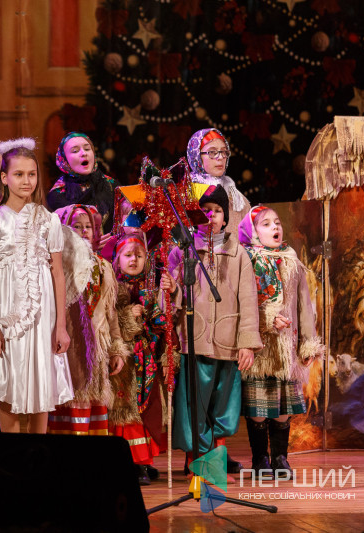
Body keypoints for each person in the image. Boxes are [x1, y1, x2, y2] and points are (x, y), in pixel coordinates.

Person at [160, 185, 262, 479]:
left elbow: (248, 301)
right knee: (195, 405)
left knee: (223, 407)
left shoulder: (238, 254)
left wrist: (247, 343)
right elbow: (171, 303)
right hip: (195, 341)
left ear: (225, 218)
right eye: (205, 211)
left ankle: (215, 461)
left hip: (228, 343)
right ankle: (198, 462)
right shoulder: (182, 251)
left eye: (217, 211)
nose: (211, 216)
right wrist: (172, 289)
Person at [0, 138, 73, 434]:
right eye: (18, 174)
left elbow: (58, 275)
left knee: (41, 384)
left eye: (31, 174)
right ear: (4, 178)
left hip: (43, 318)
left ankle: (37, 453)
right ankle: (12, 455)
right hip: (8, 316)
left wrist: (60, 326)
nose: (26, 181)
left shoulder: (49, 220)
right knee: (10, 383)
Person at [238, 205, 324, 480]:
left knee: (283, 408)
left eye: (277, 222)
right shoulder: (247, 259)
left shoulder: (291, 259)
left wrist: (308, 343)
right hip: (260, 346)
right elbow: (243, 303)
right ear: (253, 232)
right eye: (266, 224)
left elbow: (304, 305)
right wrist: (268, 320)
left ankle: (280, 458)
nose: (275, 227)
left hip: (287, 346)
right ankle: (260, 458)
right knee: (259, 408)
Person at [48, 205, 128, 438]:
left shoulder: (103, 266)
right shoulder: (58, 266)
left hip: (97, 354)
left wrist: (116, 348)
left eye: (88, 227)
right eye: (76, 226)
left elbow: (110, 312)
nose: (83, 231)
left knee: (94, 414)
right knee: (70, 408)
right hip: (68, 350)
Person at [109, 233, 167, 485]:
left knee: (147, 409)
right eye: (128, 255)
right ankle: (131, 461)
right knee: (126, 411)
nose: (134, 260)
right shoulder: (113, 288)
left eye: (139, 255)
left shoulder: (151, 289)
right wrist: (126, 315)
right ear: (118, 259)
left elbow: (161, 324)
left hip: (146, 361)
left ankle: (145, 459)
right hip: (124, 360)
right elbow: (109, 322)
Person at [46, 132, 117, 235]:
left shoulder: (111, 185)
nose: (84, 153)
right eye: (75, 151)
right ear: (64, 159)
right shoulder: (57, 194)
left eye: (87, 149)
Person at [186, 128, 251, 235]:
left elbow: (250, 237)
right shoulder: (185, 195)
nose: (220, 157)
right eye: (212, 152)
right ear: (197, 156)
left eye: (224, 152)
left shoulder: (237, 199)